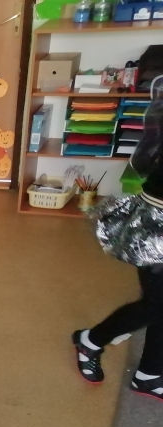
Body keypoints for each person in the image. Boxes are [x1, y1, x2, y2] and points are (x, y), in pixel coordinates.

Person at [73, 79, 163, 401]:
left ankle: (149, 373)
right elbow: (145, 156)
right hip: (157, 221)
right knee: (157, 302)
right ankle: (91, 341)